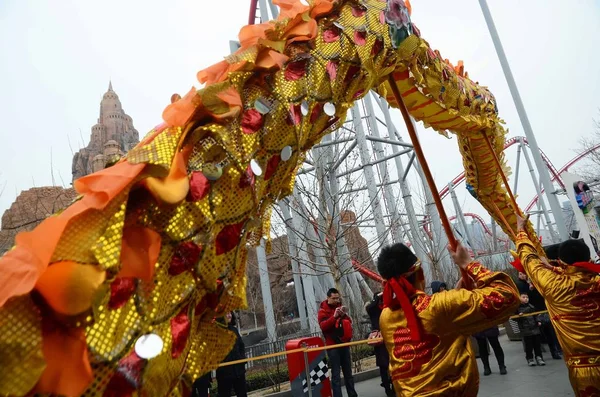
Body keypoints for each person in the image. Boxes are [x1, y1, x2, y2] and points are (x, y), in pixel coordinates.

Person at [377, 242, 519, 396]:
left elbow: (435, 324)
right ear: (421, 274)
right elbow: (507, 295)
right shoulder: (440, 306)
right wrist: (469, 264)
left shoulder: (385, 317)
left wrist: (458, 294)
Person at [515, 215, 600, 396]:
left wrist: (521, 231)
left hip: (584, 368)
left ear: (561, 261)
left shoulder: (554, 285)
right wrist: (553, 267)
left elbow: (530, 261)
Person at [318, 288, 357, 397]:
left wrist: (344, 316)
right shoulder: (323, 310)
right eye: (334, 298)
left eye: (337, 298)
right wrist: (334, 317)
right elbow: (323, 326)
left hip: (343, 344)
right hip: (333, 346)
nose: (336, 300)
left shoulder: (339, 307)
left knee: (348, 373)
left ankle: (352, 394)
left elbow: (349, 321)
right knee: (336, 375)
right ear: (328, 298)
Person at [365, 292, 394, 397]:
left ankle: (394, 385)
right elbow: (370, 307)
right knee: (383, 364)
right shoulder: (373, 310)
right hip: (379, 340)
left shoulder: (387, 307)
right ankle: (386, 387)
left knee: (393, 362)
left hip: (389, 338)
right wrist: (377, 297)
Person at [215, 312, 247, 397]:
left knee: (242, 394)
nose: (229, 315)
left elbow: (241, 346)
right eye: (226, 314)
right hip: (224, 374)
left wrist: (242, 360)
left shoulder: (234, 330)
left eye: (230, 313)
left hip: (239, 371)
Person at [515, 293, 546, 366]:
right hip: (526, 329)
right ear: (519, 298)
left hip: (535, 328)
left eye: (527, 297)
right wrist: (519, 316)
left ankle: (539, 357)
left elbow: (536, 315)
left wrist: (538, 321)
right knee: (528, 346)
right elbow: (514, 318)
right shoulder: (517, 308)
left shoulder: (532, 306)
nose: (526, 298)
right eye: (523, 297)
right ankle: (530, 358)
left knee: (537, 344)